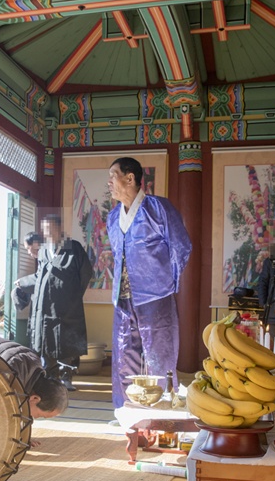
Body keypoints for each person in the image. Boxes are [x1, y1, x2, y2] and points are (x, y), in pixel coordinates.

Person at [106, 157, 192, 409]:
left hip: (155, 296)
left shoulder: (158, 208)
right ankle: (126, 409)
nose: (109, 182)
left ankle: (165, 407)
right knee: (123, 355)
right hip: (122, 299)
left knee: (160, 355)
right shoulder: (113, 217)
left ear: (130, 178)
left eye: (113, 175)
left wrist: (167, 283)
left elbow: (181, 246)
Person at [13, 215, 92, 390]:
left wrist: (73, 295)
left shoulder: (74, 248)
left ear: (59, 228)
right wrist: (23, 283)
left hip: (67, 305)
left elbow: (85, 273)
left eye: (50, 228)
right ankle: (50, 376)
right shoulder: (43, 252)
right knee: (46, 340)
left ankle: (66, 376)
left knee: (67, 341)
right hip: (45, 306)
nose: (47, 232)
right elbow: (40, 277)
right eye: (45, 229)